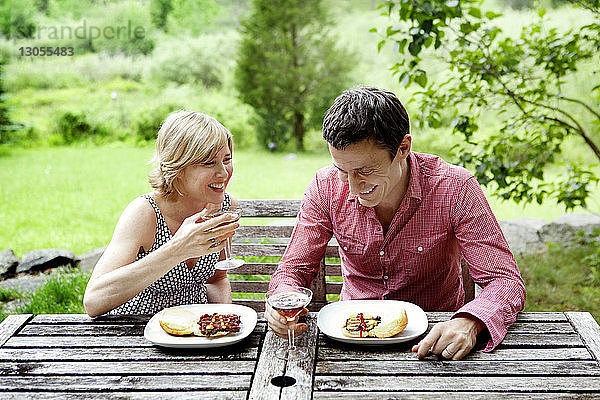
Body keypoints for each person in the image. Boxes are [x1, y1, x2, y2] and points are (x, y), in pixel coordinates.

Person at [265, 87, 526, 360]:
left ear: (403, 148)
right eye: (343, 171)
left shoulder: (455, 188)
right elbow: (293, 269)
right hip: (350, 340)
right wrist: (282, 301)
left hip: (435, 344)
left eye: (365, 171)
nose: (353, 188)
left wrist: (470, 322)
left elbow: (504, 280)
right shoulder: (325, 186)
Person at [84, 110, 240, 317]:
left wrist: (224, 321)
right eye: (209, 163)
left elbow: (216, 278)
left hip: (193, 332)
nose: (223, 172)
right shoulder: (145, 212)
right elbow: (93, 301)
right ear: (178, 167)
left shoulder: (224, 206)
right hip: (135, 331)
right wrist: (178, 249)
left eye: (227, 159)